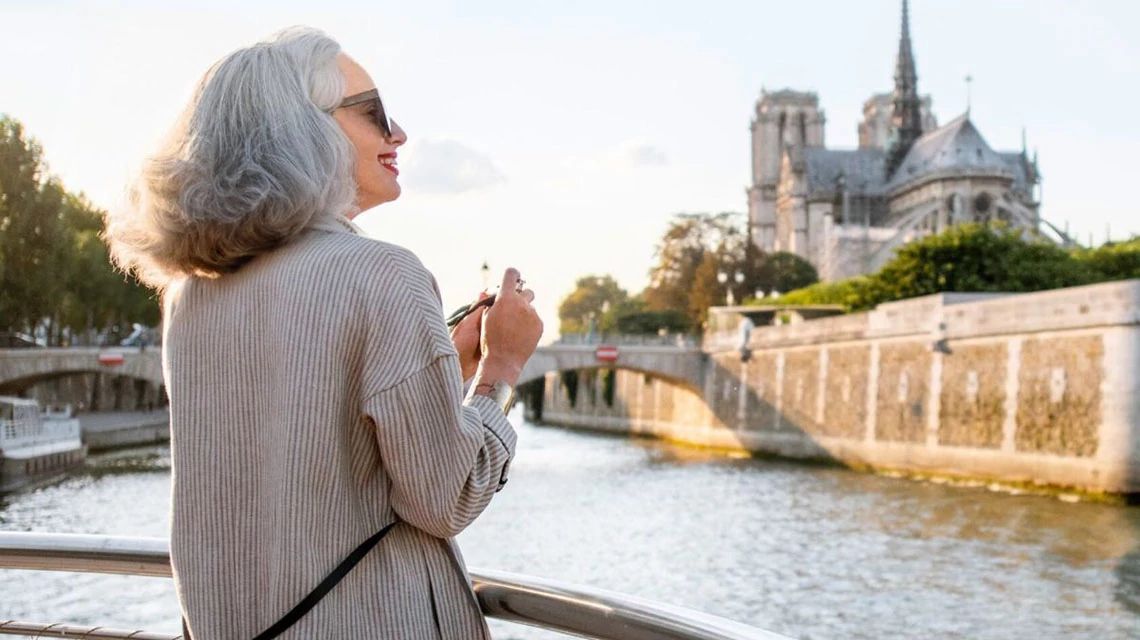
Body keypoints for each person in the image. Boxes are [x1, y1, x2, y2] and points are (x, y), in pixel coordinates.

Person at [103, 26, 542, 639]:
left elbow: (304, 454)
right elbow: (447, 497)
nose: (399, 134)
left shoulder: (190, 295)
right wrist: (499, 371)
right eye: (376, 113)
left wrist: (446, 364)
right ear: (304, 128)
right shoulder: (386, 274)